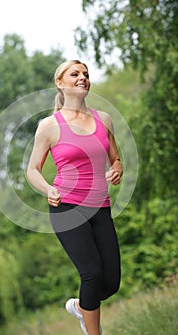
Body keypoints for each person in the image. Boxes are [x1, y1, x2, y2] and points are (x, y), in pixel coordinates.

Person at [27, 59, 123, 335]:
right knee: (91, 272)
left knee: (111, 283)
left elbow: (116, 159)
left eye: (86, 74)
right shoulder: (49, 126)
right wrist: (49, 189)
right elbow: (32, 170)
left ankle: (82, 306)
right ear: (60, 82)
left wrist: (117, 169)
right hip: (67, 207)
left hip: (100, 207)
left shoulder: (103, 119)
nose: (82, 78)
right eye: (75, 74)